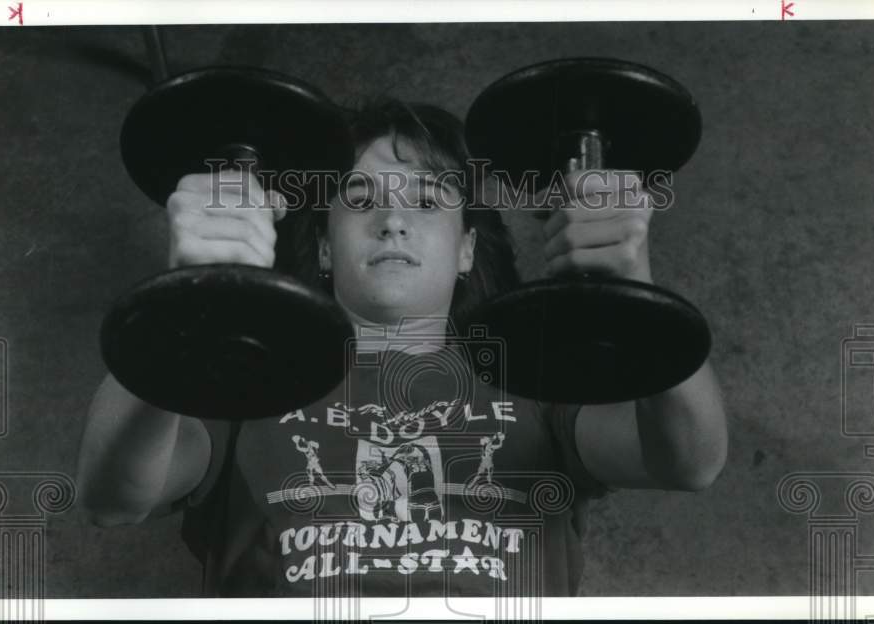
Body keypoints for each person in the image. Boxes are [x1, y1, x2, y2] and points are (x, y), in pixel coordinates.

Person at [77, 100, 727, 598]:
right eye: (359, 200)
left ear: (466, 248)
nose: (392, 219)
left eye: (426, 199)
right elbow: (112, 499)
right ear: (326, 248)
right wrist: (182, 301)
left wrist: (635, 286)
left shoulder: (533, 378)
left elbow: (690, 462)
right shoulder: (242, 377)